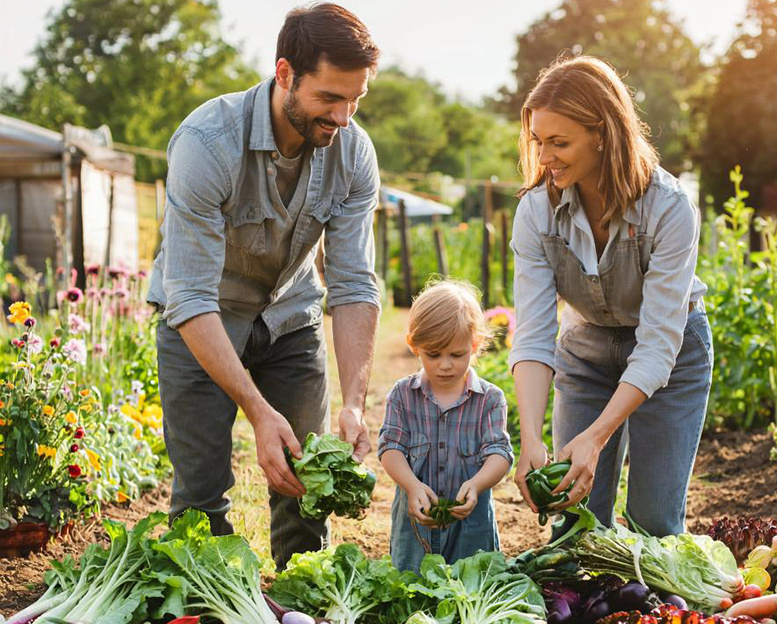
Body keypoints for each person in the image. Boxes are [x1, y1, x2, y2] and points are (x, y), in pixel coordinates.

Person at [146, 4, 382, 569]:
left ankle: (302, 601)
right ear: (285, 75)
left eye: (355, 99)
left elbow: (352, 283)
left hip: (289, 316)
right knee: (200, 501)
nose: (344, 117)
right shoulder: (207, 143)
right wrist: (256, 411)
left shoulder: (353, 152)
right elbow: (192, 295)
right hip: (201, 320)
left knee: (308, 487)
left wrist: (353, 401)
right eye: (330, 98)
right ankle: (210, 606)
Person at [509, 56, 713, 538]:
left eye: (560, 143)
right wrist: (531, 438)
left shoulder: (669, 208)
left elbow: (659, 344)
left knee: (655, 526)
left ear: (602, 134)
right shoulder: (537, 212)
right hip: (588, 351)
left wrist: (596, 437)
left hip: (672, 358)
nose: (544, 157)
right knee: (574, 527)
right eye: (539, 141)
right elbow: (535, 334)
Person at [378, 281, 513, 573]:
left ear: (475, 346)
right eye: (433, 354)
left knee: (471, 593)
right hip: (415, 528)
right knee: (412, 594)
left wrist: (476, 485)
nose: (445, 365)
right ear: (414, 346)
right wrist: (412, 486)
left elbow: (500, 453)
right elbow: (390, 449)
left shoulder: (489, 399)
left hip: (471, 528)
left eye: (457, 354)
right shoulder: (403, 395)